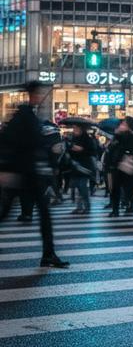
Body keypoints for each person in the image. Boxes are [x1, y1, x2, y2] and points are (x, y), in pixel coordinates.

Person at [0, 82, 68, 267]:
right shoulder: (23, 116)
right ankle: (48, 254)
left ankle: (49, 254)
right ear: (33, 95)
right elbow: (8, 143)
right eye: (39, 93)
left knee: (42, 213)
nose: (41, 97)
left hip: (29, 172)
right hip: (23, 172)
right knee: (8, 211)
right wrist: (5, 169)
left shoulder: (29, 115)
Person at [107, 116, 133, 217]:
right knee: (115, 189)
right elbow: (112, 148)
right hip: (117, 165)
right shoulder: (118, 135)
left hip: (127, 165)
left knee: (129, 188)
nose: (122, 126)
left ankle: (131, 205)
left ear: (129, 126)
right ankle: (115, 209)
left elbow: (132, 149)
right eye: (122, 124)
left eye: (124, 124)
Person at [67, 123, 96, 214]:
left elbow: (91, 151)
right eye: (73, 128)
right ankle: (79, 207)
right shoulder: (73, 139)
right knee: (76, 187)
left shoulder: (87, 139)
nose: (74, 130)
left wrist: (81, 149)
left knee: (82, 187)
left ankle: (87, 207)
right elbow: (70, 151)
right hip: (75, 166)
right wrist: (71, 148)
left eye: (76, 128)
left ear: (81, 129)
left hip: (84, 166)